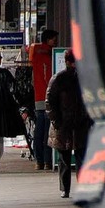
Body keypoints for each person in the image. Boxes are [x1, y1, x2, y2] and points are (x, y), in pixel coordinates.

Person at [45, 49, 92, 198]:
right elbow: (50, 103)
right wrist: (56, 121)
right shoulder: (59, 79)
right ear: (68, 62)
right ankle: (65, 189)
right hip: (63, 125)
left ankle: (81, 188)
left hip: (80, 124)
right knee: (65, 159)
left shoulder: (84, 78)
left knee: (80, 157)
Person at [28, 29, 59, 170]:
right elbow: (49, 77)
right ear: (48, 40)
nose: (56, 42)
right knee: (48, 131)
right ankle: (47, 161)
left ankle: (39, 160)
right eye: (54, 39)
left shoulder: (35, 53)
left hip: (38, 97)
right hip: (48, 97)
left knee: (39, 131)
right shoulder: (49, 55)